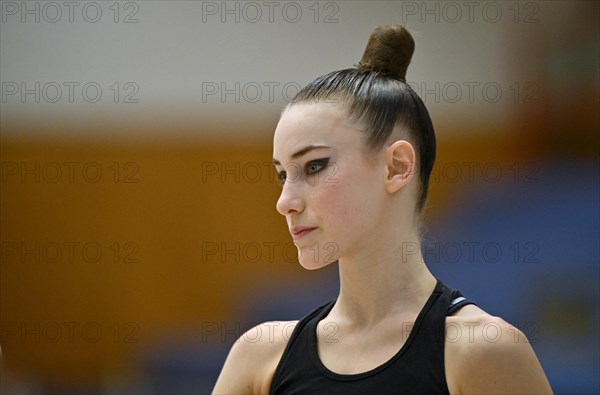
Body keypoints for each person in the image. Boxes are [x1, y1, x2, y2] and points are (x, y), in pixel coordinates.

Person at [212, 25, 552, 394]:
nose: (285, 202)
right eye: (283, 175)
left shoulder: (482, 350)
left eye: (314, 166)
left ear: (397, 167)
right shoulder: (260, 356)